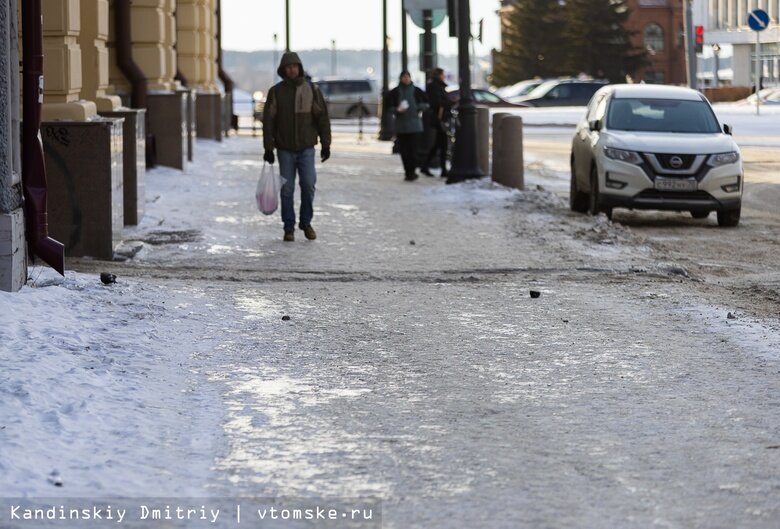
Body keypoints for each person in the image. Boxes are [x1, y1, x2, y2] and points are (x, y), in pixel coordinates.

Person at [263, 52, 331, 242]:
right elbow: (268, 122)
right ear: (283, 70)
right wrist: (268, 148)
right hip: (284, 149)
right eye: (288, 66)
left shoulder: (312, 90)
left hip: (307, 149)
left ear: (299, 68)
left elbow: (323, 119)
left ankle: (306, 222)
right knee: (287, 189)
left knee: (308, 185)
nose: (291, 69)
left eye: (294, 66)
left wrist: (326, 144)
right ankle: (288, 227)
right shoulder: (276, 92)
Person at [387, 71, 428, 181]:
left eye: (407, 77)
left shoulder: (417, 90)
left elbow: (426, 103)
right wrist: (397, 110)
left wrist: (418, 108)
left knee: (414, 150)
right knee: (404, 151)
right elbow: (389, 107)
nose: (406, 79)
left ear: (410, 78)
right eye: (403, 77)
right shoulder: (395, 92)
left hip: (415, 125)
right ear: (400, 78)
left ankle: (412, 171)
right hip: (401, 126)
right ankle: (408, 171)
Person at [421, 68, 452, 178]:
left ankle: (426, 166)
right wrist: (449, 103)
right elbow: (437, 102)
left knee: (439, 144)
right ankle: (443, 169)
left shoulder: (437, 85)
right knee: (442, 144)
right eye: (443, 74)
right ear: (439, 75)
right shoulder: (434, 86)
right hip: (439, 118)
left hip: (440, 118)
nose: (444, 76)